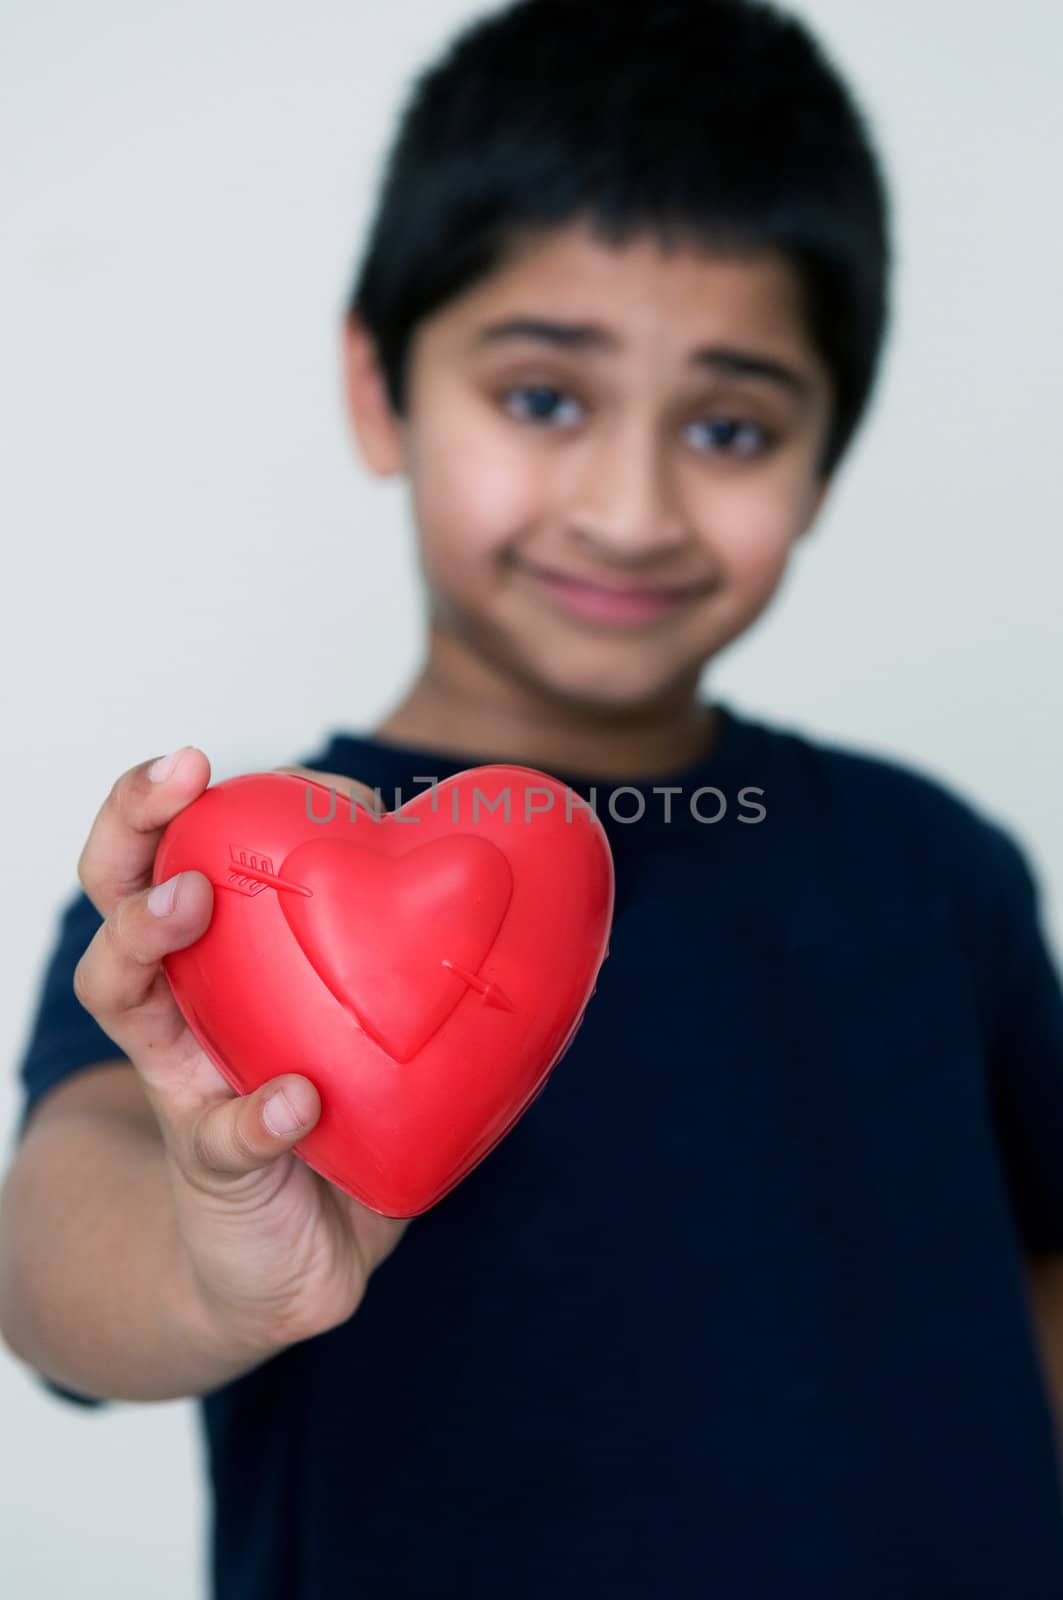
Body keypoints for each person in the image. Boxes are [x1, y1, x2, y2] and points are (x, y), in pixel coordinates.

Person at [3, 0, 1063, 1594]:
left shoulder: (936, 863)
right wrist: (219, 1270)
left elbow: (1039, 1271)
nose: (629, 509)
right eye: (545, 399)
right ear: (381, 387)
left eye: (729, 427)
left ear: (826, 460)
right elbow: (56, 1244)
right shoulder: (230, 885)